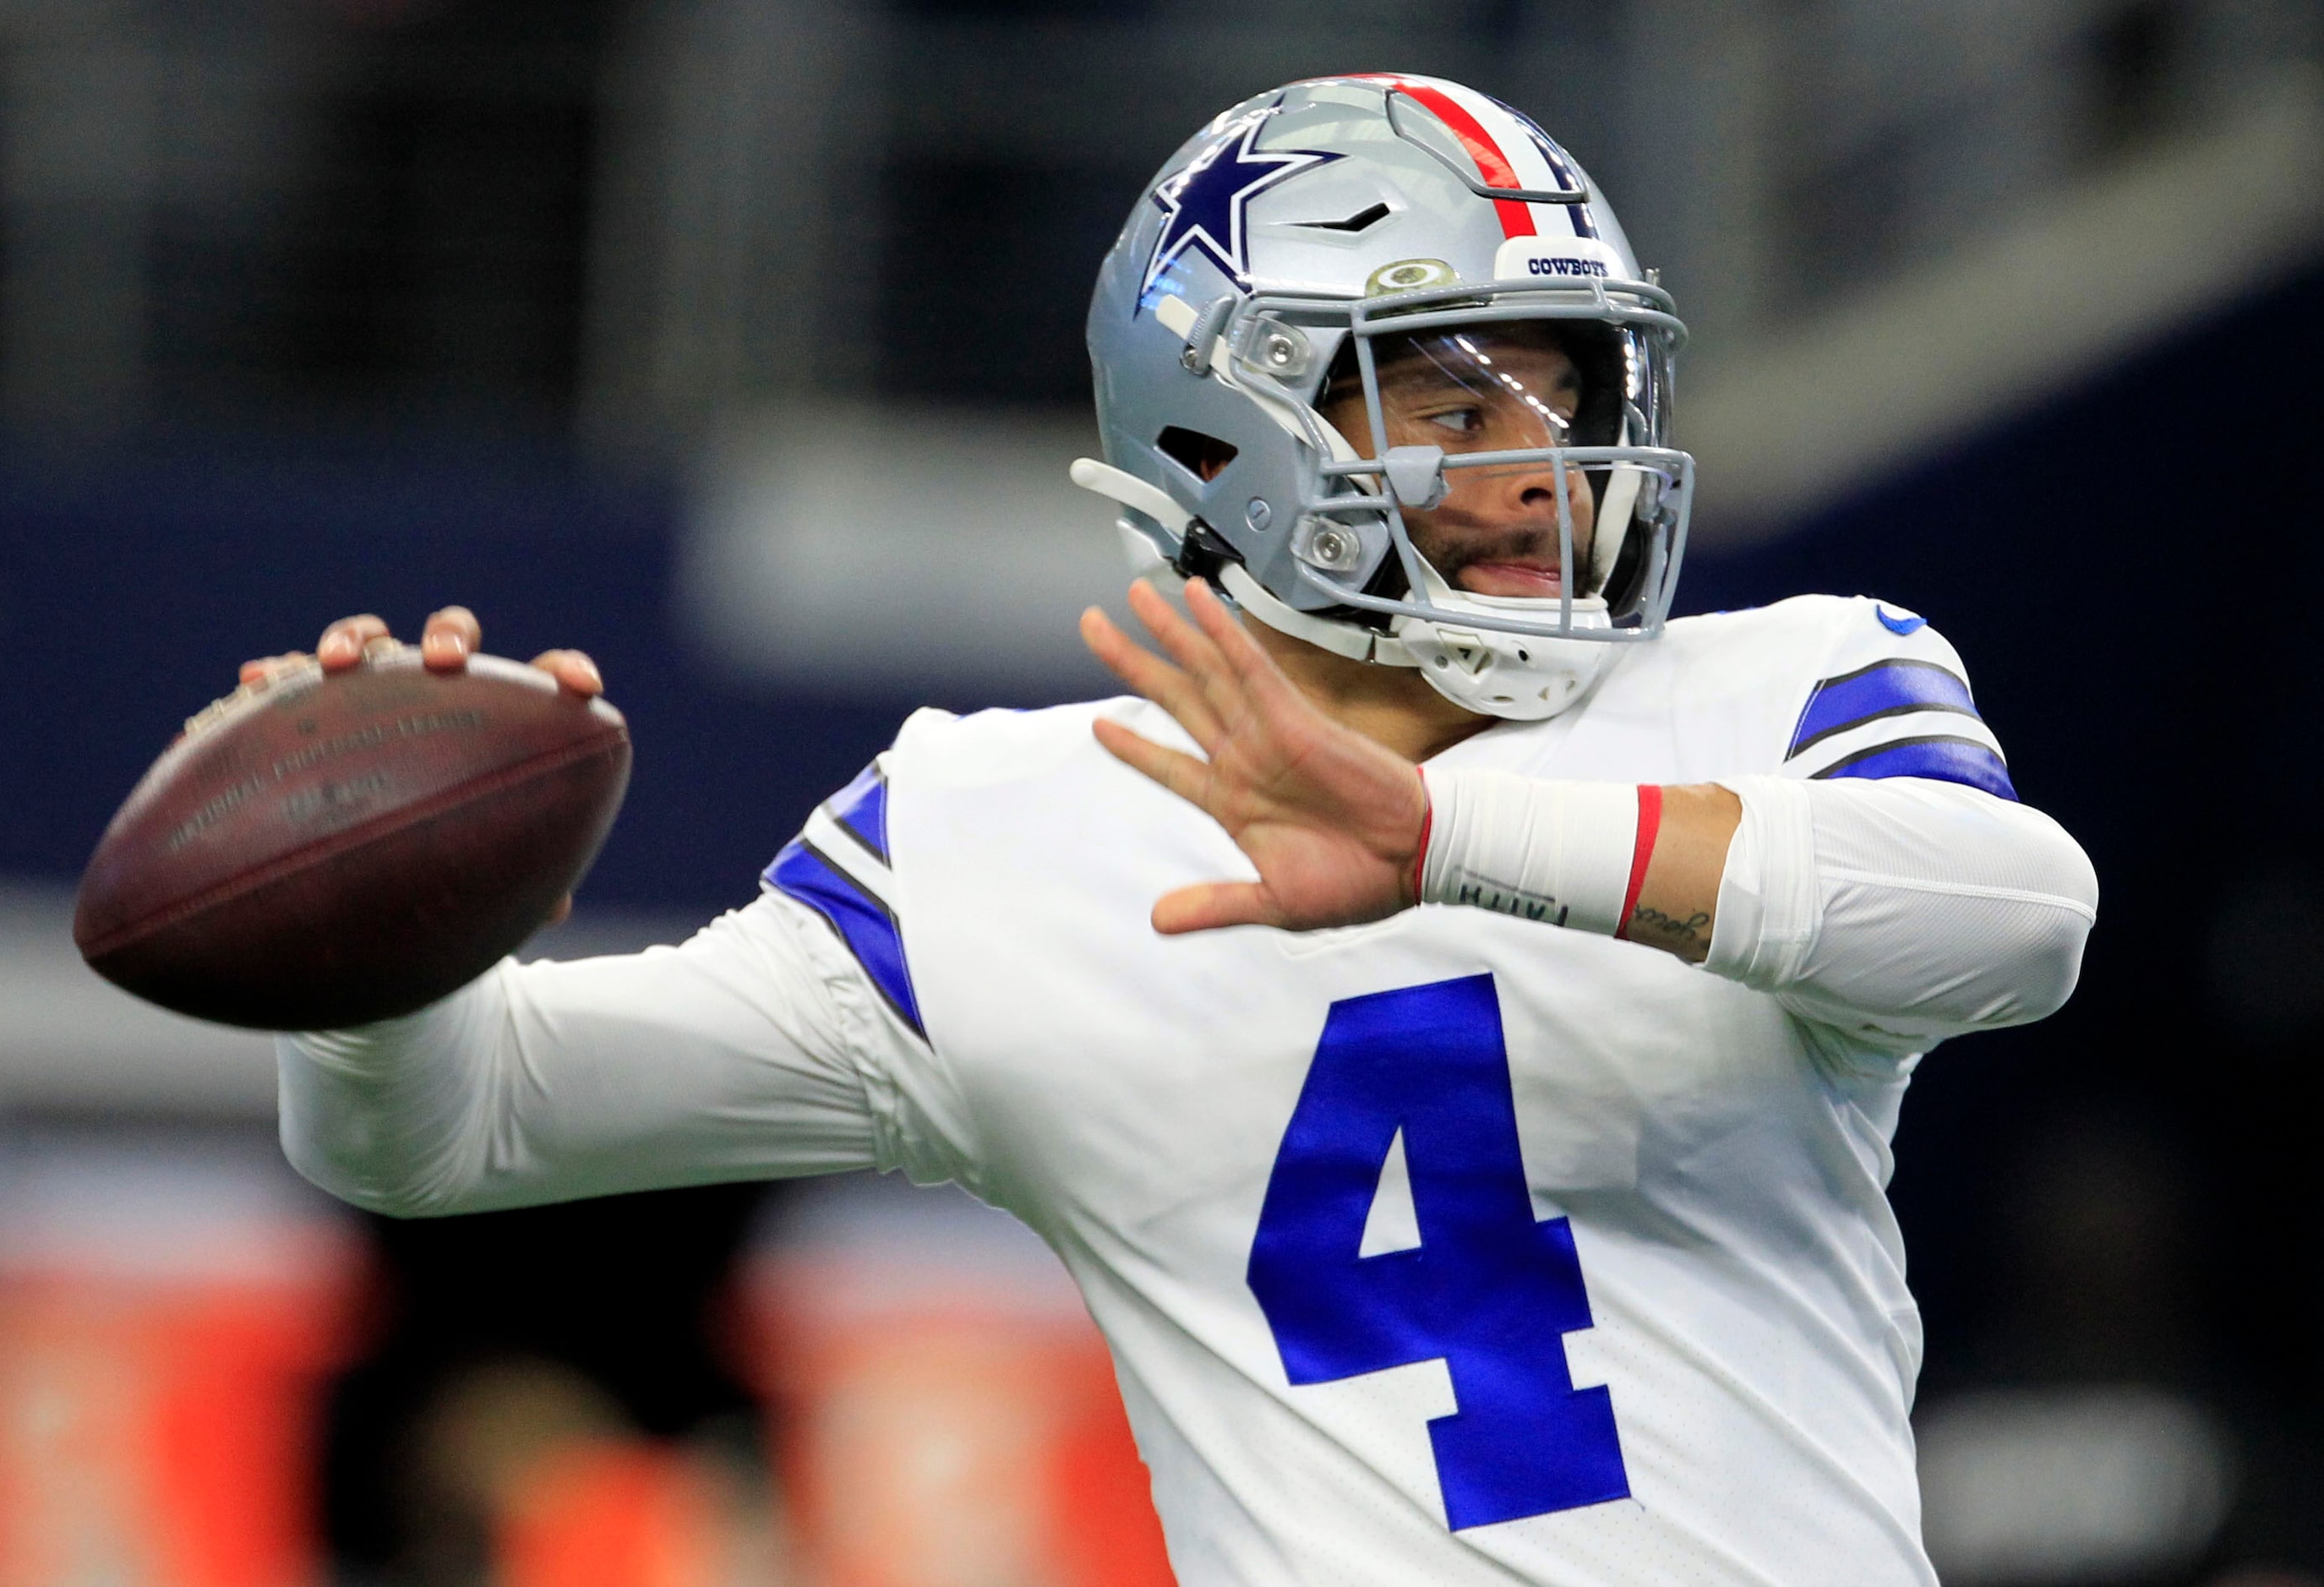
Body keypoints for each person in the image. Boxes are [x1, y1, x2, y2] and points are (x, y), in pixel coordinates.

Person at [269, 75, 2098, 1584]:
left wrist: (1446, 838)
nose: (1542, 461)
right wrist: (358, 939)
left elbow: (2017, 925)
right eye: (1453, 400)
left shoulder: (1783, 681)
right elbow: (445, 1125)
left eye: (1571, 385)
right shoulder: (994, 832)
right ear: (1219, 436)